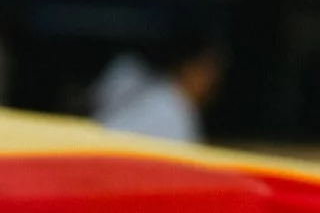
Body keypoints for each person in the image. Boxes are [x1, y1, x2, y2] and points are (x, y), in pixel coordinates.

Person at [88, 25, 226, 144]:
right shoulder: (167, 107)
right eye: (210, 69)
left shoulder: (178, 107)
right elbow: (101, 140)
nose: (213, 83)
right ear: (189, 66)